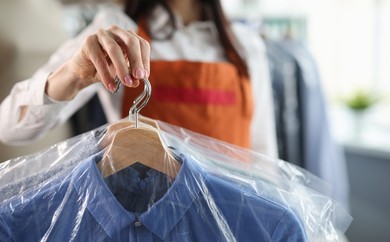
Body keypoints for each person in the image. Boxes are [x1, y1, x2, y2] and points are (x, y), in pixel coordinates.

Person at [0, 0, 278, 158]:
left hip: (227, 232)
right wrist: (73, 74)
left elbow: (262, 159)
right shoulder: (116, 31)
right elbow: (9, 127)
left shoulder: (245, 46)